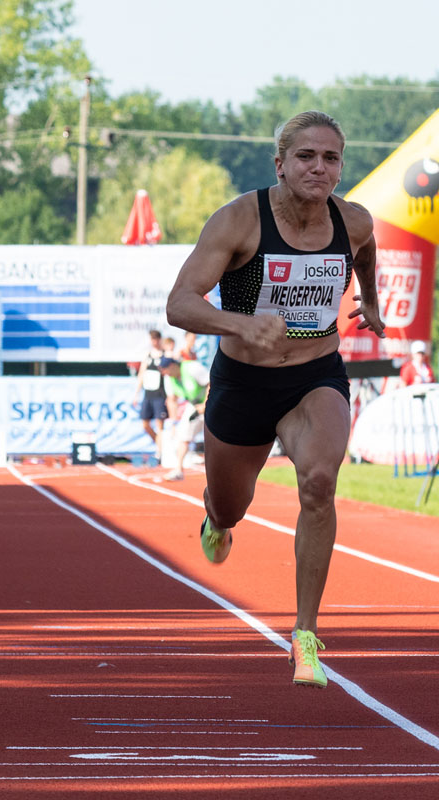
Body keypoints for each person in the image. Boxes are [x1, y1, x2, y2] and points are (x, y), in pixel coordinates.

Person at [165, 110, 384, 689]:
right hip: (244, 383)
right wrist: (240, 324)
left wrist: (370, 300)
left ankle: (305, 635)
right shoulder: (239, 220)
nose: (319, 168)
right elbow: (179, 304)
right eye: (306, 156)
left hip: (315, 377)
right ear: (280, 164)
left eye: (331, 158)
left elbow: (365, 252)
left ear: (341, 167)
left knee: (319, 482)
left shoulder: (353, 220)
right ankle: (217, 518)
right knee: (230, 507)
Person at [157, 356, 210, 481]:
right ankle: (178, 470)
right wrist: (174, 422)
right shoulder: (170, 379)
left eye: (164, 370)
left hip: (212, 403)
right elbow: (172, 400)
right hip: (194, 406)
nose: (164, 374)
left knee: (218, 438)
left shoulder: (191, 367)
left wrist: (206, 404)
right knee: (183, 436)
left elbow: (211, 383)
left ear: (172, 366)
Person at [131, 329, 168, 462]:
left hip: (160, 394)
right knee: (145, 424)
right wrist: (136, 394)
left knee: (160, 424)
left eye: (156, 339)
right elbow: (141, 374)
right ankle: (160, 444)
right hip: (148, 394)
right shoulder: (147, 355)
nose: (154, 342)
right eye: (152, 339)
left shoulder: (165, 355)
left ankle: (160, 452)